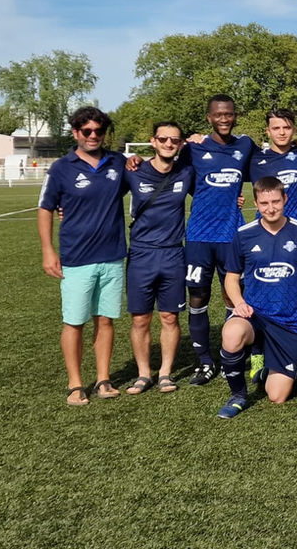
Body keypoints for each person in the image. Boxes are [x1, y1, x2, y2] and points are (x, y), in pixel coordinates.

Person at [38, 106, 127, 405]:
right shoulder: (61, 168)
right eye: (86, 131)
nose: (93, 136)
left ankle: (103, 379)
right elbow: (45, 209)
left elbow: (145, 176)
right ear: (75, 132)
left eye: (99, 131)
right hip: (76, 259)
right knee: (74, 322)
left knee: (105, 321)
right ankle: (75, 383)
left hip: (112, 256)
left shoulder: (117, 162)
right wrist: (48, 250)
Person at [215, 176, 297, 418]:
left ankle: (267, 365)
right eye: (264, 203)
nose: (271, 208)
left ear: (285, 199)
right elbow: (231, 279)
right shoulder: (244, 234)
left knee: (277, 395)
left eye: (276, 201)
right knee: (232, 333)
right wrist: (239, 303)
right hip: (255, 316)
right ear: (255, 203)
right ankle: (238, 395)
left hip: (289, 322)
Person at [180, 95, 258, 385]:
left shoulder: (245, 145)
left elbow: (272, 156)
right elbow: (178, 178)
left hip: (232, 236)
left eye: (229, 114)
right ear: (209, 117)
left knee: (232, 295)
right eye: (218, 115)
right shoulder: (194, 148)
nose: (224, 119)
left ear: (235, 116)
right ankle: (204, 361)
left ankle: (230, 356)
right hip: (199, 236)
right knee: (198, 296)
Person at [122, 122, 194, 395]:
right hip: (141, 253)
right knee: (140, 319)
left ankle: (165, 373)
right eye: (163, 139)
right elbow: (103, 194)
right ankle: (143, 374)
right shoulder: (133, 171)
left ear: (181, 144)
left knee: (169, 317)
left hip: (173, 253)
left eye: (174, 140)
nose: (168, 144)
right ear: (153, 141)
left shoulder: (186, 172)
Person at [249, 108, 297, 225]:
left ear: (294, 130)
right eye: (276, 128)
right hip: (266, 229)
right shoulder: (254, 160)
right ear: (268, 131)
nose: (282, 133)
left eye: (287, 128)